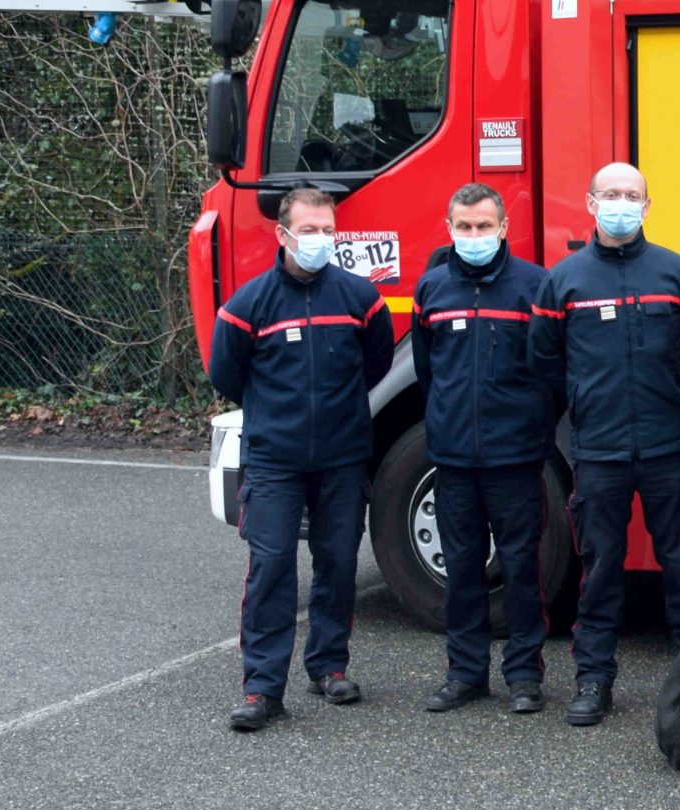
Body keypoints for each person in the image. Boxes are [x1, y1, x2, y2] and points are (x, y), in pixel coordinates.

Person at [207, 187, 395, 732]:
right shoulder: (247, 307)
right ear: (283, 234)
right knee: (270, 568)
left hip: (342, 456)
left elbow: (376, 363)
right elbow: (227, 374)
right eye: (308, 230)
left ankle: (329, 666)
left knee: (338, 563)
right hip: (273, 461)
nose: (319, 240)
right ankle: (262, 689)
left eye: (327, 230)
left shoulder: (362, 299)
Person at [529, 162, 680, 728]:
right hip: (599, 450)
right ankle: (593, 679)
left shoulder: (679, 274)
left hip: (667, 446)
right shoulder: (564, 281)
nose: (621, 203)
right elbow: (544, 361)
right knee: (601, 565)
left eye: (631, 195)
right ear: (589, 202)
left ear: (648, 206)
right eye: (611, 194)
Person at [410, 184, 554, 715]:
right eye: (464, 227)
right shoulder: (431, 290)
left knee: (521, 570)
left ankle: (524, 675)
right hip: (452, 460)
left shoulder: (534, 287)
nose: (474, 236)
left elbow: (550, 374)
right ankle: (465, 673)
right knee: (462, 570)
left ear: (503, 228)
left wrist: (531, 431)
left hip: (514, 459)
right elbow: (429, 373)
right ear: (448, 229)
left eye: (484, 227)